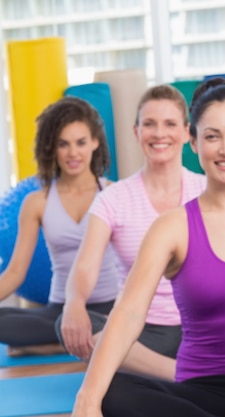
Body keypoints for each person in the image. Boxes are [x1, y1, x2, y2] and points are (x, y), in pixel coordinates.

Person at [70, 77, 225, 417]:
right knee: (109, 390)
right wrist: (87, 399)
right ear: (194, 143)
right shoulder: (172, 228)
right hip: (200, 397)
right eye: (212, 136)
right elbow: (128, 312)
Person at [58, 84, 206, 380]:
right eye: (149, 124)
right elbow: (86, 265)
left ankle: (159, 371)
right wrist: (74, 303)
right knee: (71, 322)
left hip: (202, 326)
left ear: (187, 132)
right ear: (136, 131)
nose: (159, 133)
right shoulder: (113, 198)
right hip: (140, 331)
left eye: (169, 124)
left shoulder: (207, 190)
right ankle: (180, 374)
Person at [0, 97, 119, 357]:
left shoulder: (114, 194)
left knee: (117, 324)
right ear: (51, 148)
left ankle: (57, 344)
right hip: (59, 312)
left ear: (95, 142)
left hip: (109, 308)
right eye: (63, 144)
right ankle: (74, 342)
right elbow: (15, 273)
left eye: (81, 142)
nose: (73, 153)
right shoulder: (37, 202)